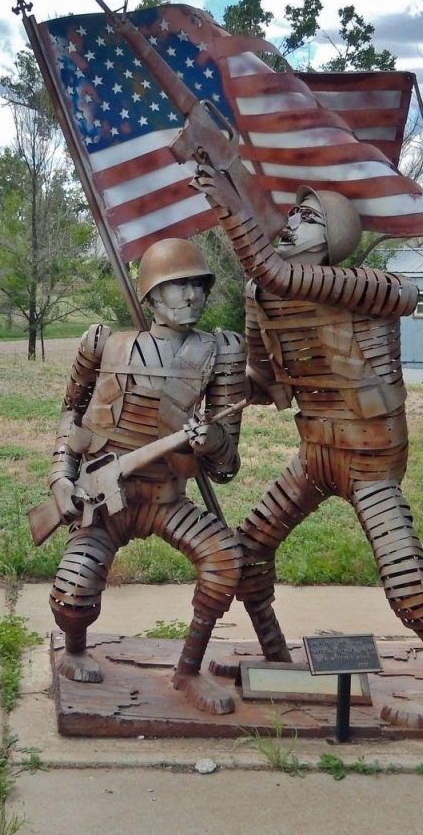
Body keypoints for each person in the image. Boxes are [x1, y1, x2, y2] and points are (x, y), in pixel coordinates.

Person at [203, 180, 423, 726]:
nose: (290, 224)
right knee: (248, 551)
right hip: (316, 452)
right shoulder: (264, 295)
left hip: (370, 458)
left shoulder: (370, 286)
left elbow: (279, 272)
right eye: (293, 215)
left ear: (337, 236)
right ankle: (276, 657)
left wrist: (229, 203)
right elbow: (266, 381)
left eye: (308, 218)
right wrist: (219, 379)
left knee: (405, 583)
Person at [43, 238, 245, 712]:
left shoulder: (221, 353)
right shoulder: (102, 344)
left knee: (225, 561)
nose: (192, 295)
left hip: (166, 498)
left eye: (199, 285)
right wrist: (61, 479)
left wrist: (210, 440)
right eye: (178, 285)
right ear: (151, 295)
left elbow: (226, 466)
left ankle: (188, 670)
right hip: (103, 500)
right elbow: (71, 414)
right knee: (72, 595)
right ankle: (74, 650)